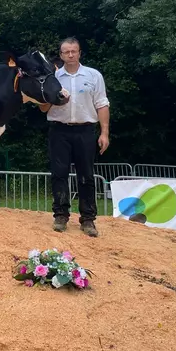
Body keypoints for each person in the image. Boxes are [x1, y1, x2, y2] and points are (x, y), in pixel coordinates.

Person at [39, 37, 110, 237]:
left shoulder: (93, 75)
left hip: (85, 130)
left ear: (79, 53)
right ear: (61, 55)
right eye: (66, 52)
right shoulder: (53, 77)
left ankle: (88, 219)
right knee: (58, 173)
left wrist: (104, 132)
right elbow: (43, 107)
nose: (70, 55)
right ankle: (60, 215)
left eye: (74, 51)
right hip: (59, 130)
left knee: (86, 175)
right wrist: (56, 99)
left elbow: (102, 104)